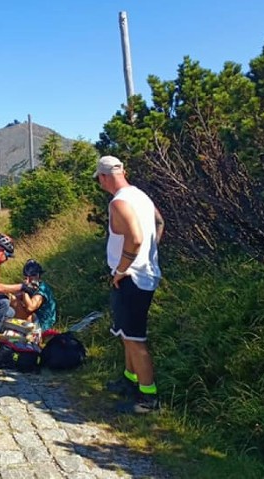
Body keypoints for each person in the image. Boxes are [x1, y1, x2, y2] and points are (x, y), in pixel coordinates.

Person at [95, 155, 165, 414]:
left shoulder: (119, 203)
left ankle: (149, 397)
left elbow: (134, 239)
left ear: (103, 177)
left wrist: (122, 270)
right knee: (126, 334)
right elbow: (159, 222)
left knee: (135, 340)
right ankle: (129, 380)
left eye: (99, 179)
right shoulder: (141, 196)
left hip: (132, 278)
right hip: (144, 273)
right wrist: (151, 251)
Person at [10, 259, 57, 332]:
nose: (28, 280)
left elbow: (30, 308)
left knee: (13, 301)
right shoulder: (32, 287)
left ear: (37, 275)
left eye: (31, 276)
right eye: (26, 277)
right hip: (35, 320)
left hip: (42, 325)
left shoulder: (42, 289)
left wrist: (25, 290)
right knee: (10, 299)